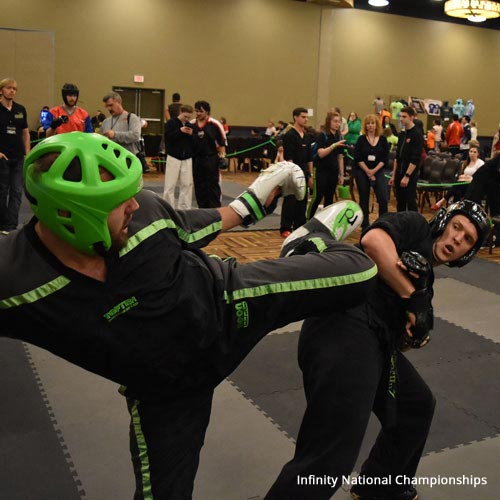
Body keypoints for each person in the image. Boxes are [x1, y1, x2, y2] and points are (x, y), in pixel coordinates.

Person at [0, 131, 378, 500]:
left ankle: (304, 242)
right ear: (75, 215)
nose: (134, 204)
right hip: (167, 393)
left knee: (360, 273)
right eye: (119, 199)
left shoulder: (144, 211)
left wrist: (249, 205)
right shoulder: (16, 279)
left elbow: (194, 225)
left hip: (230, 302)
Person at [266, 199, 490, 500]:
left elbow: (398, 343)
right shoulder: (414, 226)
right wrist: (413, 297)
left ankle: (379, 486)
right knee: (329, 458)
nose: (456, 239)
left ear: (468, 253)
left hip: (374, 342)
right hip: (343, 326)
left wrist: (415, 333)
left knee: (415, 406)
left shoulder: (428, 283)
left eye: (467, 240)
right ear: (444, 222)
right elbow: (373, 241)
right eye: (456, 227)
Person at [0, 78, 30, 235]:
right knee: (2, 191)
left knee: (17, 192)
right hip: (2, 158)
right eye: (9, 88)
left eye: (14, 89)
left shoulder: (20, 109)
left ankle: (10, 226)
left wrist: (28, 152)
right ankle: (2, 223)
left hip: (18, 157)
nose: (12, 91)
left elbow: (25, 133)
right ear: (1, 90)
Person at [280, 107, 313, 238]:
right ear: (295, 117)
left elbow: (310, 157)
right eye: (303, 117)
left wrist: (310, 175)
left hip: (305, 172)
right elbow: (289, 157)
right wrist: (293, 174)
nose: (306, 119)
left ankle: (299, 225)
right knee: (290, 200)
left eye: (306, 117)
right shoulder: (289, 135)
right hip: (293, 171)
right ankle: (285, 227)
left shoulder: (307, 136)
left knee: (302, 200)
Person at [353, 114, 389, 230]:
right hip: (362, 170)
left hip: (378, 169)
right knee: (364, 197)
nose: (370, 126)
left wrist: (373, 171)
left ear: (376, 125)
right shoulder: (361, 139)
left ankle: (383, 223)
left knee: (383, 197)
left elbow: (385, 159)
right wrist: (368, 171)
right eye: (368, 123)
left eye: (372, 123)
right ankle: (365, 224)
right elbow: (358, 158)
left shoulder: (383, 140)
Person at [307, 111, 346, 219]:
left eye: (339, 122)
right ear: (329, 122)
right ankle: (307, 220)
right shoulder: (322, 135)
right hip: (320, 169)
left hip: (333, 171)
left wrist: (341, 174)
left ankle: (325, 221)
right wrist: (333, 146)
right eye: (335, 121)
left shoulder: (339, 137)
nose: (337, 124)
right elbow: (320, 153)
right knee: (317, 196)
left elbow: (340, 157)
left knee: (329, 198)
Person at [100, 91, 149, 173]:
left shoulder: (132, 118)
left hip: (128, 161)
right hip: (110, 160)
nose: (109, 109)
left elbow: (135, 135)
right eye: (107, 106)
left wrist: (115, 135)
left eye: (111, 105)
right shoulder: (106, 122)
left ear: (119, 102)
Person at [190, 100, 227, 208]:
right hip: (197, 159)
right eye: (197, 111)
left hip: (211, 158)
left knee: (212, 185)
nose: (198, 114)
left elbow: (221, 144)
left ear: (207, 112)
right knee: (199, 185)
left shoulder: (215, 124)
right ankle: (202, 208)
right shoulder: (192, 124)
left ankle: (215, 209)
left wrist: (223, 158)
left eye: (201, 111)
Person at [389, 106, 424, 212]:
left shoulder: (417, 134)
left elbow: (415, 158)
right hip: (399, 172)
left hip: (410, 175)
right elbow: (397, 157)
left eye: (404, 117)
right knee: (400, 201)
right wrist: (394, 176)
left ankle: (415, 226)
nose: (401, 119)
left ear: (411, 118)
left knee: (410, 201)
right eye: (400, 116)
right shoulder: (402, 134)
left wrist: (407, 176)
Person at [431, 145, 484, 210]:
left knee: (456, 187)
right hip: (463, 184)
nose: (472, 153)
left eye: (474, 152)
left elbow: (480, 178)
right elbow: (461, 175)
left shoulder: (480, 163)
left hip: (473, 186)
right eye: (471, 151)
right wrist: (464, 177)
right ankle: (456, 208)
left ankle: (442, 201)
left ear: (478, 154)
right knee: (457, 191)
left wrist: (469, 178)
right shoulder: (466, 162)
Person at [163, 104, 194, 209]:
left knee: (187, 184)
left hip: (187, 157)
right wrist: (180, 131)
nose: (187, 119)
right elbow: (168, 138)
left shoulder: (190, 125)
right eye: (185, 116)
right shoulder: (171, 123)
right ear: (180, 112)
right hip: (173, 156)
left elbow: (194, 143)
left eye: (189, 117)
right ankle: (168, 208)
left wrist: (191, 135)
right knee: (170, 185)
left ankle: (184, 209)